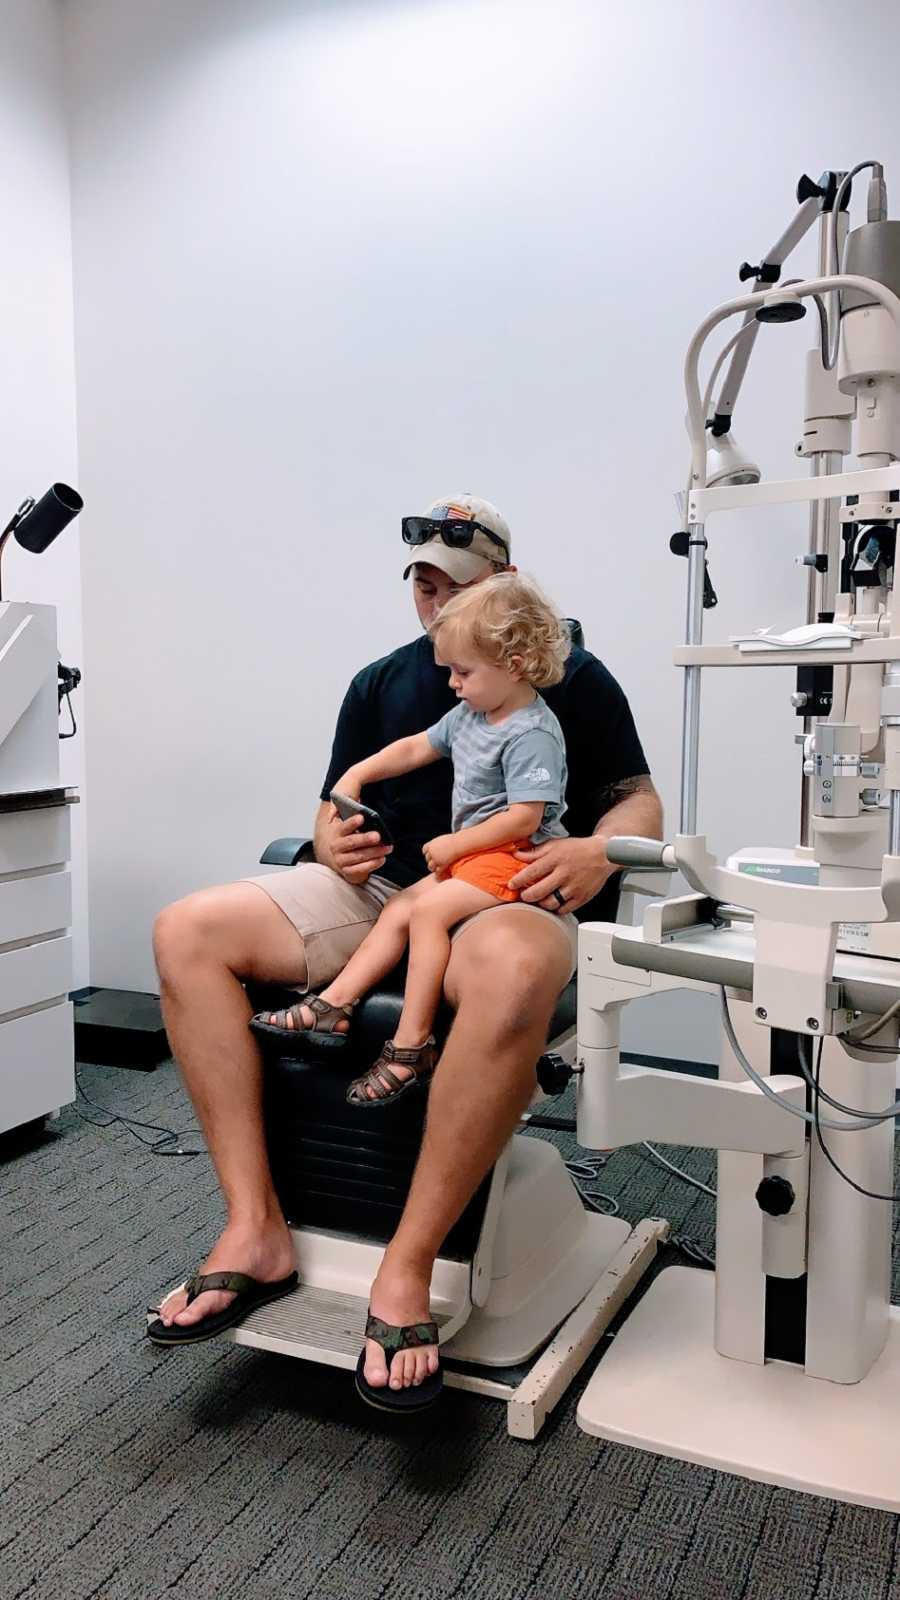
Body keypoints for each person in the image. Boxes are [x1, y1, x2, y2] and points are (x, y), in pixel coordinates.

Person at [148, 492, 663, 1406]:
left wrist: (598, 847)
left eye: (453, 585)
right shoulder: (383, 682)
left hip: (509, 890)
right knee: (186, 929)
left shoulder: (571, 680)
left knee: (509, 968)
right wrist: (333, 834)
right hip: (383, 889)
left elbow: (637, 802)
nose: (434, 604)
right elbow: (334, 805)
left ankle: (409, 1264)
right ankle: (254, 1227)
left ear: (504, 585)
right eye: (422, 584)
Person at [251, 573, 572, 1125]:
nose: (452, 683)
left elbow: (526, 816)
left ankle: (411, 1045)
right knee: (399, 907)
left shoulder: (531, 732)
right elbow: (413, 748)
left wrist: (454, 844)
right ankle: (335, 1005)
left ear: (514, 664)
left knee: (424, 914)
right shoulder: (473, 713)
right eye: (449, 670)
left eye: (462, 672)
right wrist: (354, 775)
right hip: (477, 856)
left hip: (513, 857)